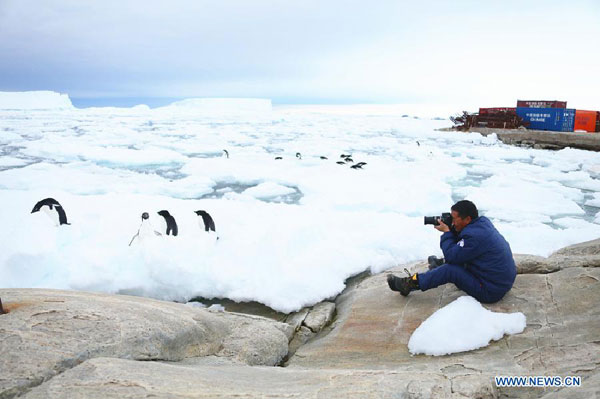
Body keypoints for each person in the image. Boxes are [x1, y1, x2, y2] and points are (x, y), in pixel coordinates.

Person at [387, 200, 516, 303]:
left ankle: (408, 284)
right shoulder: (482, 223)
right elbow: (463, 246)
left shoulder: (474, 237)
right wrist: (453, 228)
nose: (452, 222)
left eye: (454, 219)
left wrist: (447, 232)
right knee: (456, 258)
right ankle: (439, 266)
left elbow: (452, 256)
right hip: (498, 281)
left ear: (467, 219)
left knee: (450, 269)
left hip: (490, 290)